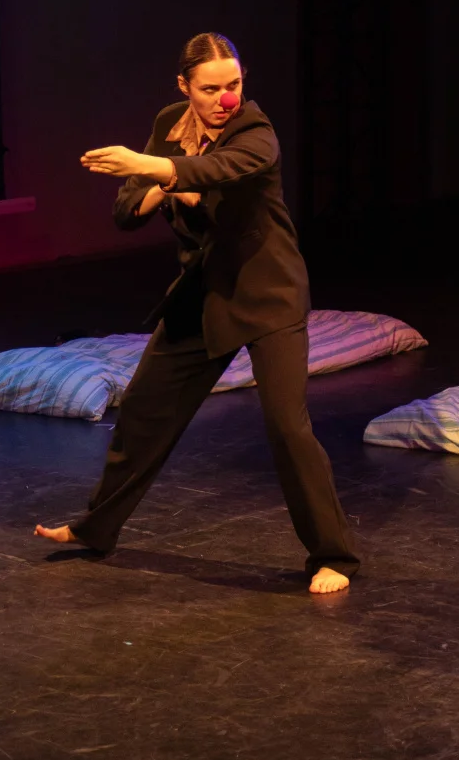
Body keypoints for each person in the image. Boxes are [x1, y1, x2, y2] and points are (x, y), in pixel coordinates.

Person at [35, 34, 360, 594]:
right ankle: (96, 527)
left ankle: (335, 555)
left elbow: (223, 169)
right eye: (210, 89)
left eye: (234, 85)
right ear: (184, 86)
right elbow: (127, 212)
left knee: (287, 425)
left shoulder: (254, 130)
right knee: (144, 410)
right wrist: (159, 180)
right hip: (203, 292)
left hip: (267, 293)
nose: (225, 99)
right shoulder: (170, 124)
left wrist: (155, 167)